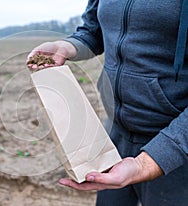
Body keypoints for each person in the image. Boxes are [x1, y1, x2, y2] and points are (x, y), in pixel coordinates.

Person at [27, 0, 188, 205]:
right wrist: (66, 46)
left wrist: (148, 163)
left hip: (176, 146)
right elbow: (93, 31)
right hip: (115, 136)